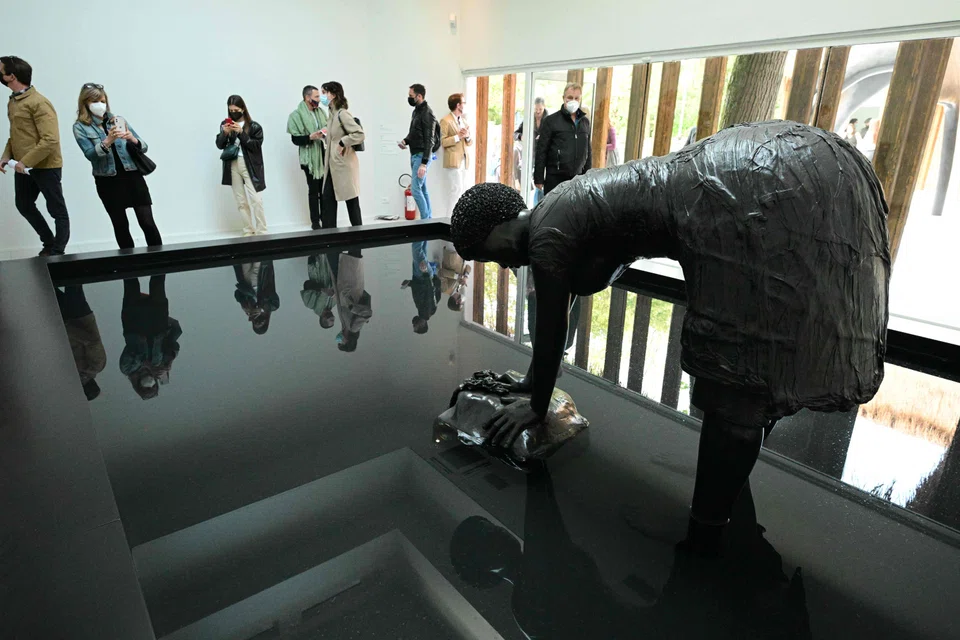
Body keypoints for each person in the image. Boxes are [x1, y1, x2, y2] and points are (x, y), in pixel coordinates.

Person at [450, 121, 890, 551]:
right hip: (745, 172)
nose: (503, 266)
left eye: (489, 254)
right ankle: (725, 503)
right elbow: (560, 313)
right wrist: (531, 383)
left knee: (736, 385)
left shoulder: (547, 235)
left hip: (735, 193)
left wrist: (538, 406)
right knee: (757, 374)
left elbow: (550, 330)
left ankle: (705, 538)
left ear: (498, 222)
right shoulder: (558, 207)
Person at [72, 83, 162, 250]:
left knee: (147, 221)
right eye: (95, 101)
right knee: (120, 224)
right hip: (108, 180)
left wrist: (131, 138)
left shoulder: (117, 120)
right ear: (85, 103)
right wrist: (107, 141)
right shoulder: (79, 127)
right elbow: (90, 155)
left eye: (103, 100)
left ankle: (160, 262)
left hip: (133, 175)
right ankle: (130, 267)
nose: (101, 105)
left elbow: (143, 146)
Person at [0, 56, 70, 256]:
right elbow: (16, 135)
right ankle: (49, 243)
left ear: (10, 76)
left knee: (57, 210)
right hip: (23, 167)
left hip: (46, 166)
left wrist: (25, 161)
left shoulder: (39, 103)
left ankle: (58, 251)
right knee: (23, 204)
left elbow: (51, 140)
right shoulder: (13, 102)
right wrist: (6, 156)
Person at [119, 275, 182, 400]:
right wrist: (169, 361)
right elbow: (173, 343)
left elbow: (130, 352)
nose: (149, 385)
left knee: (130, 281)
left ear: (138, 386)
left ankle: (125, 256)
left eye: (146, 388)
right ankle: (155, 255)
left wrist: (147, 365)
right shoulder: (159, 364)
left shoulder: (127, 369)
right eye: (152, 387)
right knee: (158, 281)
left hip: (134, 322)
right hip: (157, 322)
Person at [216, 95, 267, 236]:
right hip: (232, 164)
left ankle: (262, 230)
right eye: (230, 110)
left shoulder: (254, 126)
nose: (233, 113)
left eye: (236, 110)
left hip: (249, 164)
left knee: (256, 199)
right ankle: (248, 229)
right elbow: (219, 145)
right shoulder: (225, 124)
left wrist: (241, 133)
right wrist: (224, 134)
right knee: (241, 201)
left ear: (243, 109)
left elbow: (255, 146)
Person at [319, 82, 365, 228]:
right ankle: (330, 237)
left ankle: (359, 237)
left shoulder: (342, 114)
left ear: (332, 94)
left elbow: (359, 134)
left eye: (324, 92)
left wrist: (342, 142)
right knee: (328, 202)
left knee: (351, 201)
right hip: (333, 165)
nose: (322, 96)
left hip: (344, 165)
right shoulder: (331, 115)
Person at [534, 83, 592, 196]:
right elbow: (541, 150)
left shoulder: (585, 122)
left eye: (576, 98)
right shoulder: (551, 121)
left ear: (580, 99)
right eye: (570, 97)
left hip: (578, 179)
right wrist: (538, 178)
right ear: (563, 98)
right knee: (554, 211)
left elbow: (588, 152)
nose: (573, 100)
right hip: (555, 178)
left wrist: (588, 176)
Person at [55, 285, 106, 401]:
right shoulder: (96, 366)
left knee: (47, 286)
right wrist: (65, 328)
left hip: (66, 320)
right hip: (79, 317)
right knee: (72, 282)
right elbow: (91, 341)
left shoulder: (73, 372)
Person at [288, 85, 327, 230]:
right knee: (313, 190)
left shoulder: (321, 112)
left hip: (322, 154)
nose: (319, 100)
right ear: (307, 98)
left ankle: (326, 219)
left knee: (323, 190)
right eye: (316, 97)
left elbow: (327, 126)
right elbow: (295, 139)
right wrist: (310, 137)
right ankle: (315, 223)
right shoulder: (296, 115)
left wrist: (324, 133)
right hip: (309, 159)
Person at [398, 83, 437, 219]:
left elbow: (429, 140)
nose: (409, 98)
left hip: (421, 157)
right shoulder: (416, 111)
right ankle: (428, 219)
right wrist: (405, 141)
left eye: (411, 96)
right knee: (422, 189)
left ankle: (426, 220)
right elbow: (414, 133)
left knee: (415, 190)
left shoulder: (427, 113)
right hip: (415, 155)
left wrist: (424, 163)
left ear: (419, 96)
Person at [439, 93, 472, 217]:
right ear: (458, 105)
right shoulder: (445, 120)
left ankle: (459, 218)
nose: (465, 105)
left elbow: (469, 142)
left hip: (463, 159)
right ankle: (449, 218)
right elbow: (443, 142)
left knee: (462, 190)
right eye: (463, 103)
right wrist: (458, 136)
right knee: (455, 190)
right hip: (453, 160)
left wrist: (467, 136)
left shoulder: (463, 120)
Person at [334, 250, 373, 352]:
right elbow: (367, 314)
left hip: (345, 286)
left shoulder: (345, 326)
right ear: (347, 341)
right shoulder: (354, 328)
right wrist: (352, 307)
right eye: (341, 343)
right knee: (354, 254)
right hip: (352, 286)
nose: (339, 340)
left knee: (349, 257)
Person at [404, 240, 441, 334]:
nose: (414, 324)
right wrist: (425, 273)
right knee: (416, 249)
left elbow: (434, 292)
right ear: (422, 325)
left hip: (424, 276)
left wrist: (410, 283)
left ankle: (425, 227)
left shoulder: (430, 311)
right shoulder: (426, 311)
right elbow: (429, 291)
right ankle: (420, 225)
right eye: (415, 326)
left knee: (422, 247)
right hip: (422, 274)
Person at [233, 261, 279, 335]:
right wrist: (261, 308)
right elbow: (272, 295)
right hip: (261, 270)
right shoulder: (272, 306)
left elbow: (237, 292)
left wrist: (243, 303)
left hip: (245, 277)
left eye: (256, 322)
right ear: (266, 321)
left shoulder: (250, 305)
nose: (258, 320)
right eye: (261, 322)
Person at [301, 252, 339, 329]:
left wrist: (323, 290)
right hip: (333, 261)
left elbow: (307, 284)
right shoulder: (334, 303)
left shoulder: (310, 304)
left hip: (317, 262)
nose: (333, 317)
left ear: (323, 319)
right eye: (333, 319)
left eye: (331, 319)